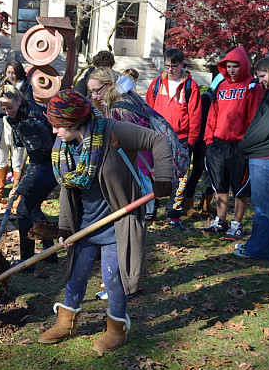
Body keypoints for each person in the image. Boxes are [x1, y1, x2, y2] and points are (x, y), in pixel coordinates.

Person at [37, 89, 173, 352]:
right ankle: (67, 323)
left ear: (76, 122)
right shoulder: (63, 148)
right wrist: (65, 226)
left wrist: (164, 178)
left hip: (117, 222)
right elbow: (67, 189)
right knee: (75, 275)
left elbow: (158, 140)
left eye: (58, 126)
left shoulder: (113, 131)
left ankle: (116, 329)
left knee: (113, 278)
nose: (54, 132)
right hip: (84, 225)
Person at [200, 47, 263, 239]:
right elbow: (213, 115)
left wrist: (248, 144)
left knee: (241, 188)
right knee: (220, 185)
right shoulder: (221, 87)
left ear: (243, 65)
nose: (232, 70)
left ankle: (236, 224)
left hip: (240, 146)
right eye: (228, 66)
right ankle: (220, 221)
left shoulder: (253, 86)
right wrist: (209, 140)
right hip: (218, 145)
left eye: (235, 66)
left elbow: (254, 118)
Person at [233, 57, 269, 259]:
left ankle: (259, 250)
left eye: (262, 76)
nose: (260, 81)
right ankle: (257, 246)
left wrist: (243, 146)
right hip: (267, 155)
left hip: (268, 157)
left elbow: (265, 127)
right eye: (258, 77)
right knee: (264, 207)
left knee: (264, 208)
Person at [0, 84, 57, 267]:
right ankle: (50, 253)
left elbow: (36, 162)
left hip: (49, 165)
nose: (7, 112)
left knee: (23, 211)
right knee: (34, 209)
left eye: (9, 107)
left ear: (19, 100)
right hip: (48, 160)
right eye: (3, 108)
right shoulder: (27, 107)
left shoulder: (28, 122)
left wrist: (19, 188)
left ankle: (26, 260)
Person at [88, 67, 156, 219]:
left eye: (97, 90)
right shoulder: (130, 97)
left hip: (133, 171)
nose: (94, 96)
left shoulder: (118, 111)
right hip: (141, 167)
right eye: (91, 92)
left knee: (130, 221)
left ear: (110, 84)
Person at [146, 48, 202, 227]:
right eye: (167, 65)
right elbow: (148, 110)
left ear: (181, 64)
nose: (170, 69)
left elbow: (195, 115)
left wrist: (191, 141)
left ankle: (174, 212)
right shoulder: (157, 83)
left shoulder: (190, 86)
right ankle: (151, 209)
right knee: (153, 174)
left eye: (174, 66)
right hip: (158, 136)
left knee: (180, 177)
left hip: (182, 138)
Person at [0, 60, 29, 205]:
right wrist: (7, 109)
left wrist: (14, 110)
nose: (10, 75)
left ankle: (18, 196)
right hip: (1, 129)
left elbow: (27, 105)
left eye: (13, 73)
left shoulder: (26, 86)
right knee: (1, 161)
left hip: (19, 129)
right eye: (8, 72)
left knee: (17, 163)